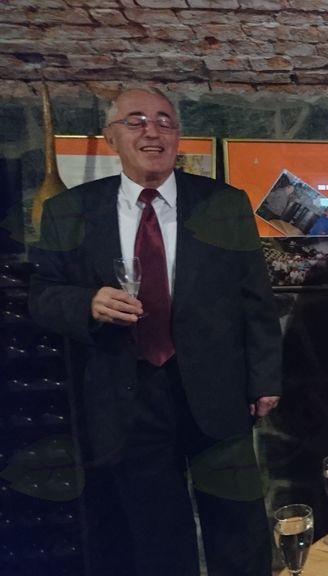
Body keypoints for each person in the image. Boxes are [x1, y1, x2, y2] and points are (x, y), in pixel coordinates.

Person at [29, 88, 282, 576]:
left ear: (177, 137)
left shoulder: (224, 204)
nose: (153, 131)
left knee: (237, 525)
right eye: (137, 121)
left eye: (165, 121)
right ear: (111, 138)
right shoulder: (70, 210)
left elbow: (255, 297)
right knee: (156, 535)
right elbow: (42, 294)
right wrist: (87, 303)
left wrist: (265, 377)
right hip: (128, 395)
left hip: (217, 389)